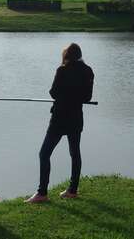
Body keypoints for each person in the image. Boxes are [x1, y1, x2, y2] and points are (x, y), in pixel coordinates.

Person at [25, 43, 94, 203]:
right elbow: (87, 98)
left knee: (44, 154)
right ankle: (72, 190)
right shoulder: (88, 71)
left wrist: (65, 95)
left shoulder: (62, 70)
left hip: (59, 119)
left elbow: (53, 92)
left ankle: (42, 193)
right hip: (76, 118)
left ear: (67, 56)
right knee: (75, 153)